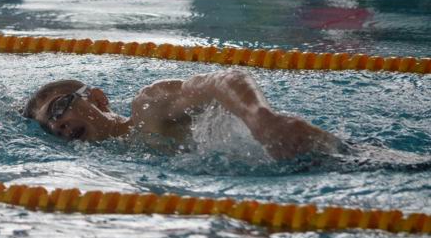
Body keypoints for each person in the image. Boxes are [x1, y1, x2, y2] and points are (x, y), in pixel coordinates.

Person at [21, 70, 343, 161]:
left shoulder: (148, 108)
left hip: (311, 149)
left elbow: (224, 80)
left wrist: (263, 120)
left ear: (97, 99)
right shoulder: (119, 160)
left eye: (58, 108)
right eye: (48, 126)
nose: (56, 124)